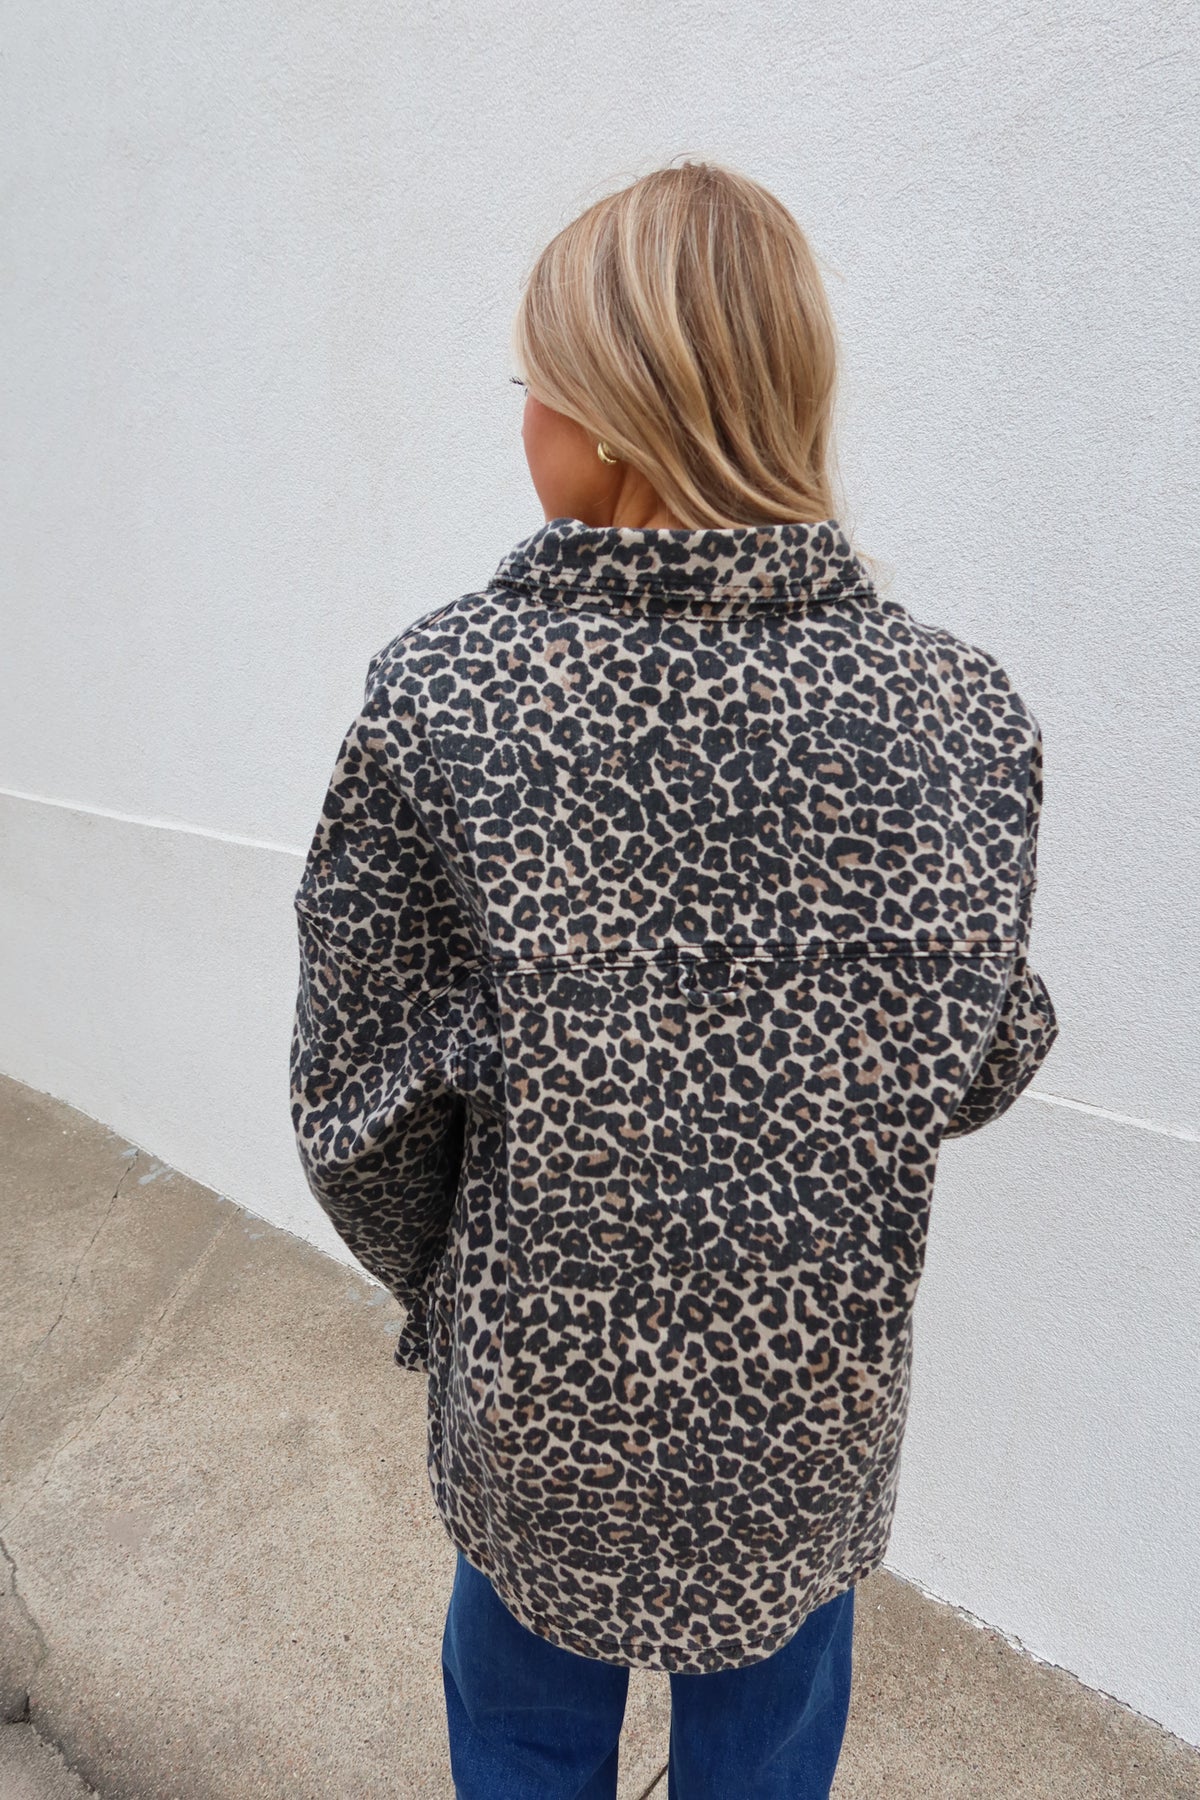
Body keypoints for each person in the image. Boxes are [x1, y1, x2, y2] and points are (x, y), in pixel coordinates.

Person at [289, 159, 1058, 1799]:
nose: (523, 418)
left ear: (617, 415)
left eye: (533, 382)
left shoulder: (447, 697)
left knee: (521, 1731)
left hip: (543, 1399)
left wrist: (467, 1285)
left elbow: (358, 1105)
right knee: (769, 1751)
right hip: (807, 1404)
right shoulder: (956, 713)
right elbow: (983, 1051)